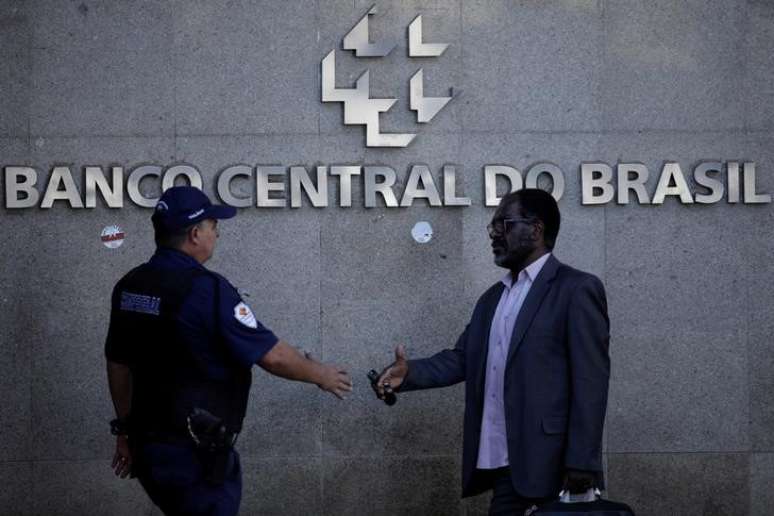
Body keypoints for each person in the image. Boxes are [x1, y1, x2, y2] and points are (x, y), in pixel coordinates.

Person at [105, 186, 352, 516]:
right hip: (194, 454)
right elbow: (272, 355)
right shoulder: (206, 289)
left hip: (149, 447)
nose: (217, 234)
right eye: (213, 227)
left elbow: (118, 364)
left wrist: (125, 431)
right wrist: (322, 375)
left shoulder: (130, 285)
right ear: (195, 234)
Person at [373, 188, 610, 516]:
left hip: (557, 466)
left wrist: (582, 460)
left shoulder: (576, 289)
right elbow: (462, 359)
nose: (494, 234)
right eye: (492, 227)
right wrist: (408, 373)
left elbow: (591, 382)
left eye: (504, 225)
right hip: (504, 465)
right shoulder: (492, 299)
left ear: (536, 229)